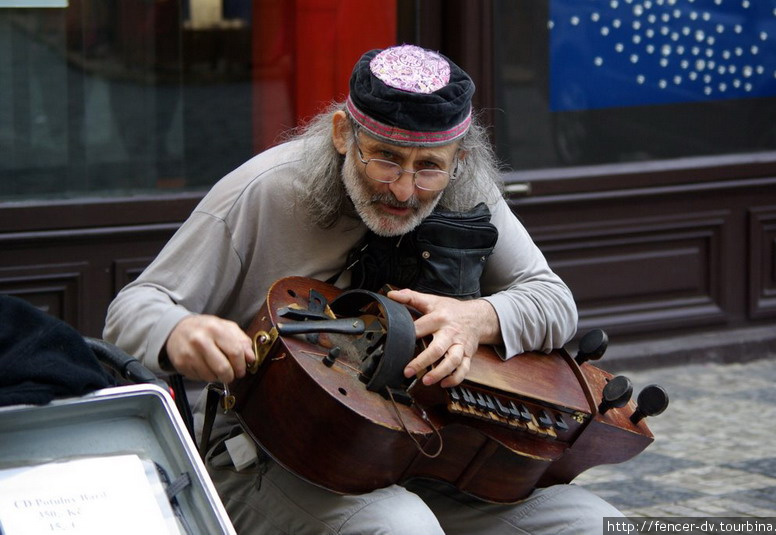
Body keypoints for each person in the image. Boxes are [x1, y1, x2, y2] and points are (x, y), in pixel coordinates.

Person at [104, 44, 625, 535]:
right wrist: (179, 330)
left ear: (459, 159)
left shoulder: (464, 186)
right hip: (275, 449)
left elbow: (553, 300)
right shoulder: (265, 190)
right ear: (341, 134)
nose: (403, 189)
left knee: (600, 523)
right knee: (399, 527)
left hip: (426, 447)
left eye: (428, 167)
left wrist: (477, 318)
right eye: (384, 158)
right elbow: (133, 309)